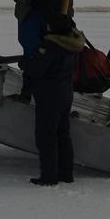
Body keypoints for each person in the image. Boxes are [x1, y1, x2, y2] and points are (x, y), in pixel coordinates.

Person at [22, 12, 85, 186]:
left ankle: (48, 176)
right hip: (65, 94)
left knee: (46, 137)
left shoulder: (51, 46)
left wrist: (25, 63)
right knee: (63, 135)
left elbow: (37, 69)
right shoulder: (71, 45)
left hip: (49, 96)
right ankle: (66, 173)